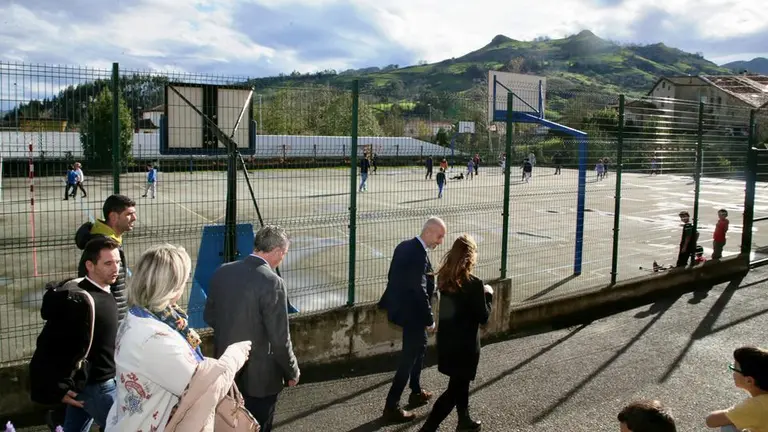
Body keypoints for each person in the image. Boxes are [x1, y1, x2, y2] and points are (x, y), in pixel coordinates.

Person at [106, 244, 253, 431]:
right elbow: (206, 389)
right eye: (184, 279)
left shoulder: (142, 316)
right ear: (171, 286)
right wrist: (234, 356)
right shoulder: (154, 338)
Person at [205, 225, 301, 432]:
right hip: (260, 378)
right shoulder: (272, 282)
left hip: (227, 370)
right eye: (283, 254)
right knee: (259, 425)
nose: (282, 258)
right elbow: (280, 339)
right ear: (276, 251)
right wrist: (291, 370)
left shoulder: (223, 272)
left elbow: (209, 316)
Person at [418, 234, 492, 432]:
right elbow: (483, 317)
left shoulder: (445, 278)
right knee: (454, 389)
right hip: (466, 347)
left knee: (460, 383)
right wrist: (489, 296)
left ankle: (464, 420)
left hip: (448, 342)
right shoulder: (474, 284)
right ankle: (428, 428)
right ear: (470, 256)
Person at [378, 217, 447, 423]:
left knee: (420, 348)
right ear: (428, 232)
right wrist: (430, 319)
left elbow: (393, 277)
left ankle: (416, 390)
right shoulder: (417, 254)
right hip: (414, 315)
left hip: (406, 311)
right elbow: (418, 289)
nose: (441, 241)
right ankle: (392, 405)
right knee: (408, 359)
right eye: (439, 236)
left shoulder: (405, 246)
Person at [57, 237, 121, 431]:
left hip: (86, 385)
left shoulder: (103, 293)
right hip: (99, 386)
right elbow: (57, 345)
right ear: (89, 265)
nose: (115, 268)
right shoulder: (85, 302)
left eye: (118, 262)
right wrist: (58, 386)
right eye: (108, 263)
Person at [76, 194, 137, 323]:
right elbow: (97, 289)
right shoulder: (103, 246)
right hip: (110, 322)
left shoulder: (106, 240)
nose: (134, 218)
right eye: (129, 214)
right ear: (114, 217)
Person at [706, 346, 768, 432]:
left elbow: (711, 420)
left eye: (734, 368)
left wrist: (735, 411)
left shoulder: (756, 406)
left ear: (749, 381)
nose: (733, 373)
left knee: (728, 426)